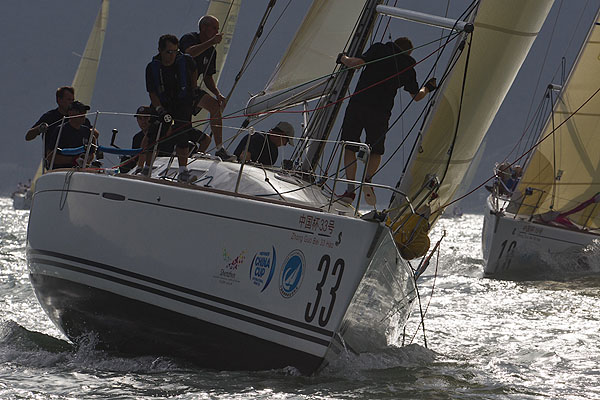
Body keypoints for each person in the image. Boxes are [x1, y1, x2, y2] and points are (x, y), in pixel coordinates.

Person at [337, 37, 437, 204]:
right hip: (381, 113)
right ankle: (368, 178)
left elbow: (356, 64)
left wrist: (343, 58)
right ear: (408, 53)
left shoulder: (379, 50)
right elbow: (417, 97)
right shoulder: (408, 67)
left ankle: (349, 191)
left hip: (359, 105)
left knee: (350, 146)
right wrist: (428, 87)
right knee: (376, 150)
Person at [180, 15, 235, 161]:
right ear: (204, 27)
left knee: (215, 107)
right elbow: (189, 53)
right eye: (215, 28)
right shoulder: (189, 38)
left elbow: (207, 77)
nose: (217, 32)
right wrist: (211, 42)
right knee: (182, 123)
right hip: (178, 86)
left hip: (193, 89)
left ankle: (220, 149)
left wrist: (217, 93)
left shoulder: (212, 51)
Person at [144, 34, 198, 182]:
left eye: (175, 51)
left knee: (182, 134)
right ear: (160, 50)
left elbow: (194, 71)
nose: (172, 55)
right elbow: (152, 92)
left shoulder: (184, 61)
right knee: (154, 135)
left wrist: (194, 89)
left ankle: (183, 171)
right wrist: (159, 109)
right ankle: (146, 168)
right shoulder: (152, 67)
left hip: (182, 102)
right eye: (169, 52)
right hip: (163, 103)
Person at [45, 101, 97, 169]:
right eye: (80, 111)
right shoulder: (61, 130)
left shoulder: (86, 131)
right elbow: (50, 156)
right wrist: (73, 160)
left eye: (84, 112)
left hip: (80, 171)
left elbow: (92, 152)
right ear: (70, 113)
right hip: (62, 170)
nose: (83, 114)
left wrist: (87, 159)